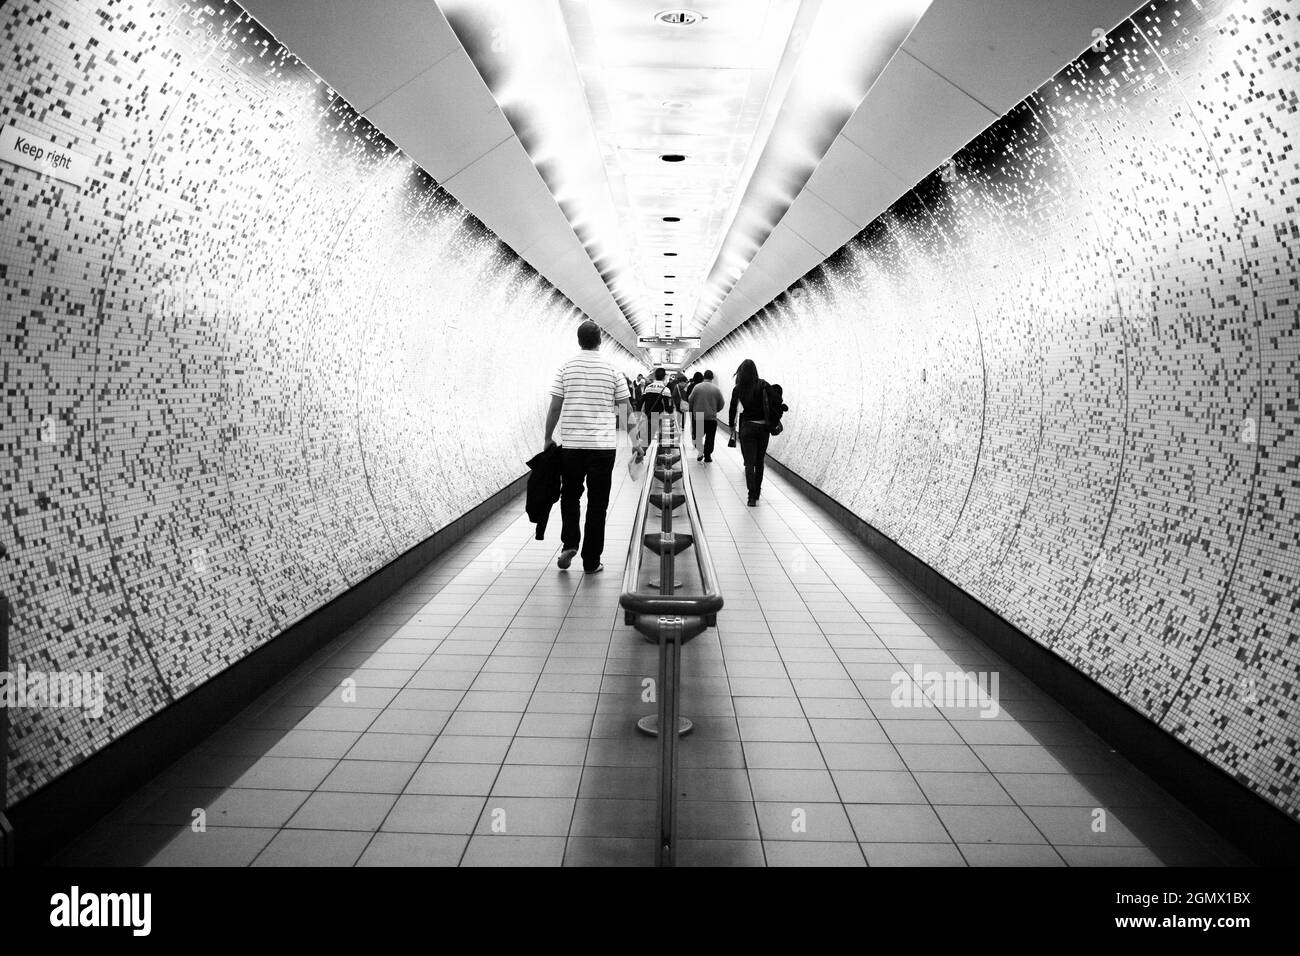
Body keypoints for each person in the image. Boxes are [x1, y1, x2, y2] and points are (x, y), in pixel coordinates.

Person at [544, 320, 639, 573]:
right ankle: (591, 561)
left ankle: (569, 544)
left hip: (572, 447)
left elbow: (555, 406)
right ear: (600, 341)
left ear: (579, 340)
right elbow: (625, 409)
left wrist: (547, 437)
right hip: (602, 448)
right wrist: (635, 442)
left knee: (570, 496)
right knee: (598, 503)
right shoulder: (612, 370)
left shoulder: (565, 368)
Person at [727, 358, 770, 507]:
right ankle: (757, 492)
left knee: (749, 463)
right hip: (763, 428)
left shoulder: (738, 388)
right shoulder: (763, 384)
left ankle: (751, 496)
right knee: (759, 462)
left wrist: (731, 425)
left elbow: (733, 408)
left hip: (747, 427)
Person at [688, 369, 724, 463]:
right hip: (711, 418)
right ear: (712, 378)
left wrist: (693, 409)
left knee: (699, 436)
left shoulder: (697, 387)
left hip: (699, 416)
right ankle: (708, 456)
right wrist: (715, 410)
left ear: (704, 377)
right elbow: (722, 403)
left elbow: (690, 400)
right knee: (710, 438)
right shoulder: (716, 389)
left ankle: (700, 452)